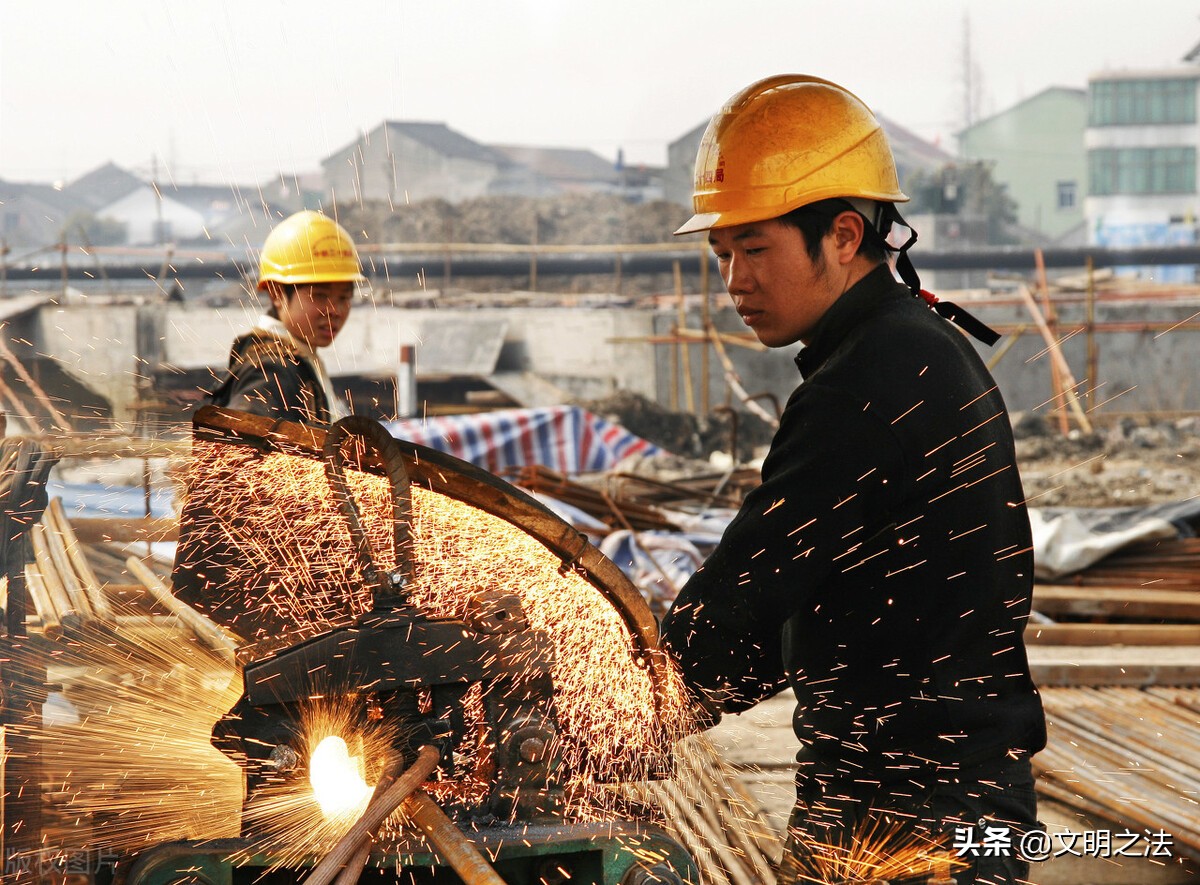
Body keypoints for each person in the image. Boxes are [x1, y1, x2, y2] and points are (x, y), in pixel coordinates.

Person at [659, 75, 1046, 885]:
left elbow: (749, 589)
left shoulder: (865, 386)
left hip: (911, 824)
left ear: (842, 234)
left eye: (755, 249)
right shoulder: (907, 350)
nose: (734, 281)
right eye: (722, 254)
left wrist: (618, 708)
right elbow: (790, 604)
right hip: (937, 800)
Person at [210, 209, 364, 424]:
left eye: (344, 298)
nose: (334, 310)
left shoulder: (297, 359)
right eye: (320, 296)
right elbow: (239, 439)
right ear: (276, 293)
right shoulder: (271, 370)